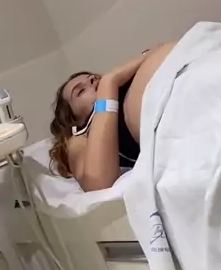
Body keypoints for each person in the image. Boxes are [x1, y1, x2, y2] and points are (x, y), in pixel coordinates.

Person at [49, 42, 176, 192]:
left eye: (93, 78)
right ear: (74, 121)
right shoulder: (80, 136)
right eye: (80, 91)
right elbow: (97, 182)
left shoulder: (119, 88)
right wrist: (109, 83)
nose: (92, 79)